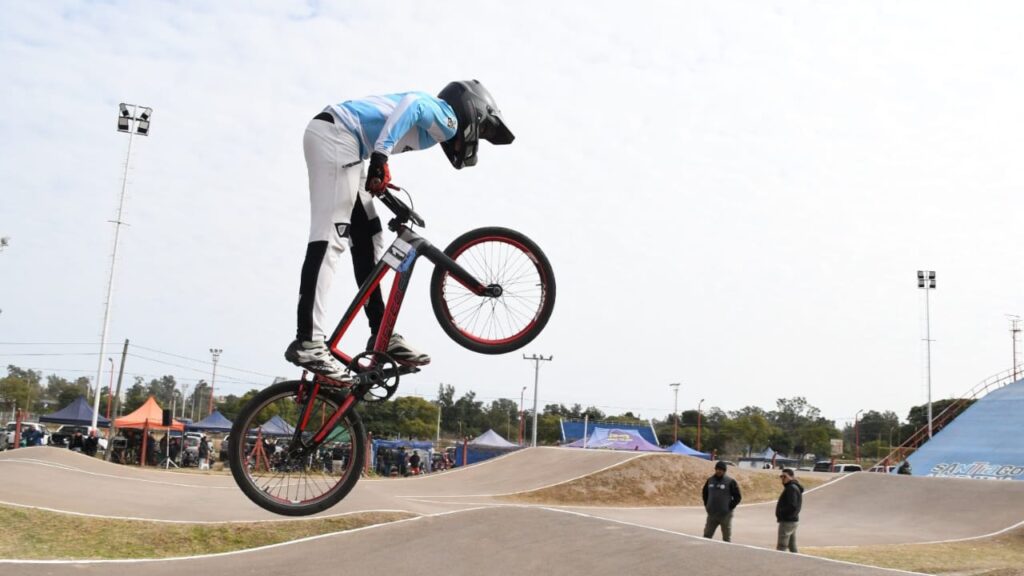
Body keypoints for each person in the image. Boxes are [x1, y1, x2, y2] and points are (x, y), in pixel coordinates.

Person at [284, 81, 515, 381]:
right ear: (476, 112)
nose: (474, 142)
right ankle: (309, 342)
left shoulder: (431, 134)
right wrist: (381, 155)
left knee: (369, 236)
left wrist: (390, 193)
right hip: (337, 136)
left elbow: (390, 129)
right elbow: (413, 102)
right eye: (481, 132)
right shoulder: (447, 119)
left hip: (347, 144)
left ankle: (382, 333)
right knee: (331, 236)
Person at [702, 461, 742, 542]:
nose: (719, 471)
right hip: (712, 515)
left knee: (726, 538)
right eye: (717, 469)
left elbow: (738, 497)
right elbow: (704, 494)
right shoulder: (710, 481)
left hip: (725, 515)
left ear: (724, 471)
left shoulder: (730, 482)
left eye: (721, 470)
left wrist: (729, 507)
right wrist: (707, 506)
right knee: (706, 536)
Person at [775, 468, 804, 553]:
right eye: (781, 476)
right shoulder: (792, 487)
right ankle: (797, 561)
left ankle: (779, 561)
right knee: (792, 545)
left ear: (791, 477)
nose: (782, 478)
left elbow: (792, 506)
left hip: (787, 521)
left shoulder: (791, 488)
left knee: (782, 546)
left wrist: (782, 513)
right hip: (792, 520)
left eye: (784, 476)